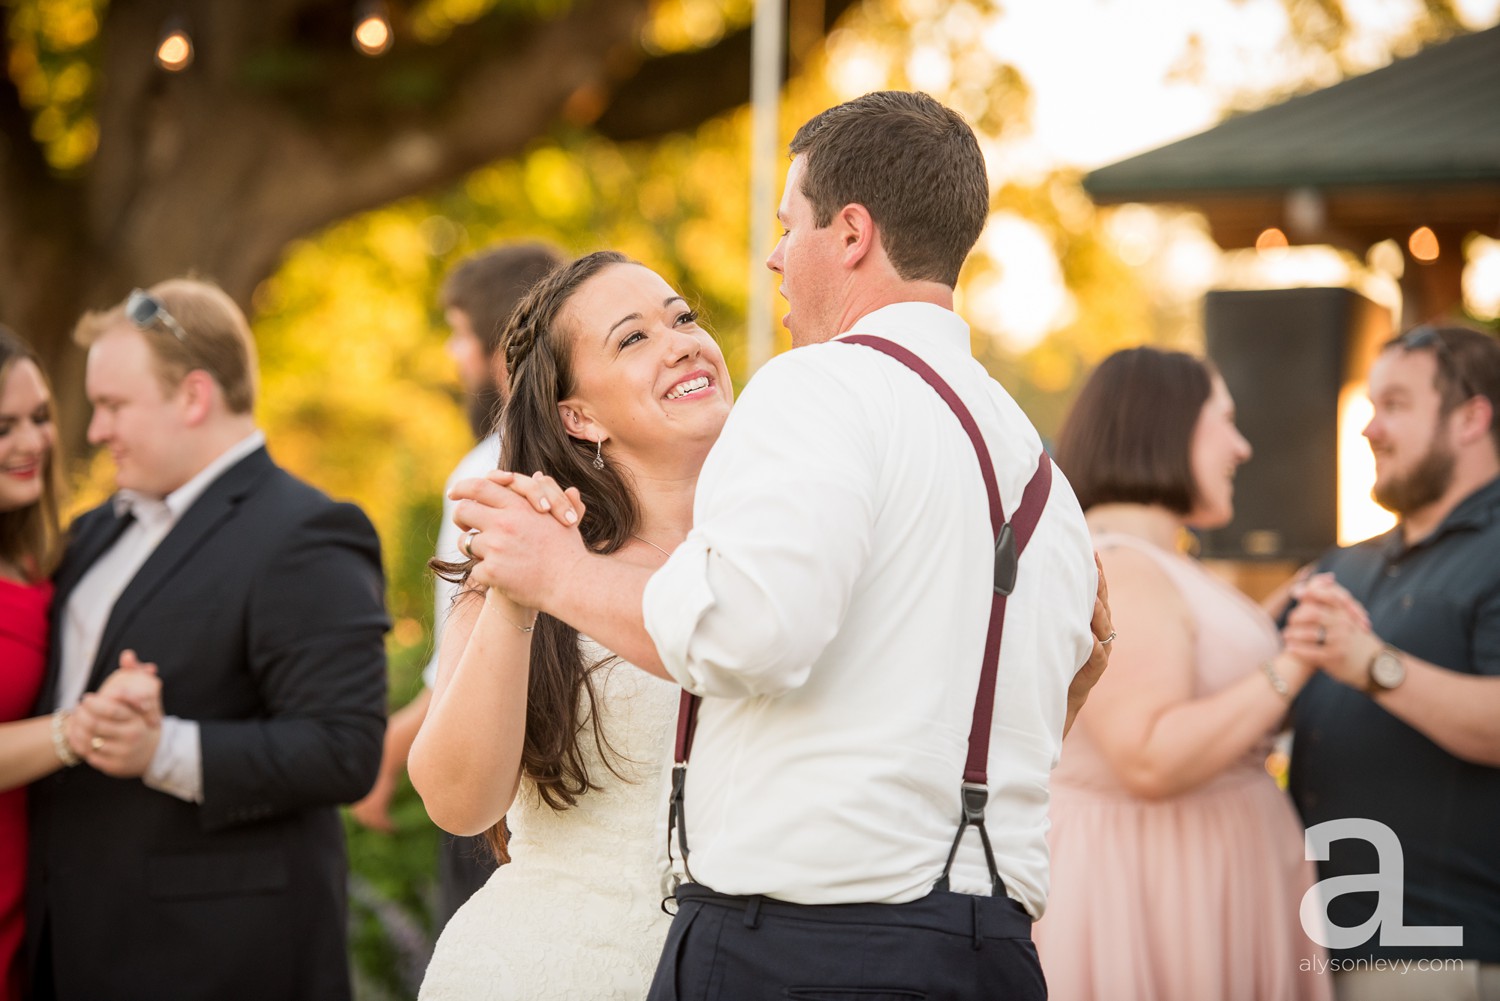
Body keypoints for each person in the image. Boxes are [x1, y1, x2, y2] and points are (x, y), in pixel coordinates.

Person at [448, 91, 1107, 1001]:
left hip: (806, 948)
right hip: (987, 946)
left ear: (850, 235)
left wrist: (557, 573)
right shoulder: (1037, 470)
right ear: (574, 412)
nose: (771, 256)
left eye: (787, 223)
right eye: (634, 336)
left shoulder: (818, 390)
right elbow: (1025, 711)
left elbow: (746, 635)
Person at [25, 279, 390, 1001]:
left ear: (193, 397)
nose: (94, 430)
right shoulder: (96, 531)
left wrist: (162, 748)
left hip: (212, 961)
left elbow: (345, 749)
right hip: (64, 945)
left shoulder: (306, 532)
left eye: (113, 406)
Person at [410, 250, 733, 998]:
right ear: (576, 415)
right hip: (542, 970)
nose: (681, 339)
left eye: (681, 317)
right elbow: (459, 802)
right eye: (634, 338)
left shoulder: (784, 553)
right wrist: (519, 596)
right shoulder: (527, 558)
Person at [1035, 346, 1331, 1001]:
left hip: (1203, 866)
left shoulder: (1154, 561)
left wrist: (1277, 613)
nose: (1242, 446)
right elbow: (1149, 755)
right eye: (1223, 419)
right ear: (1163, 424)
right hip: (1157, 883)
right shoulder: (1123, 564)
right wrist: (1295, 660)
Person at [350, 241, 563, 928]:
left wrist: (384, 755)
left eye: (460, 334)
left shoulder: (481, 471)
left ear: (500, 343)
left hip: (495, 788)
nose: (453, 354)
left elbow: (461, 670)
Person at [1283, 325, 1500, 1001]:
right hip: (1313, 946)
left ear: (1471, 417)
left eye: (1396, 405)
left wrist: (1373, 664)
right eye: (1372, 406)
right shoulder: (1346, 562)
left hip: (1439, 953)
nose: (1370, 429)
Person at [0, 327, 161, 1001]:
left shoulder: (44, 560)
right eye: (3, 426)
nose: (33, 442)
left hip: (34, 898)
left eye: (40, 418)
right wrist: (83, 727)